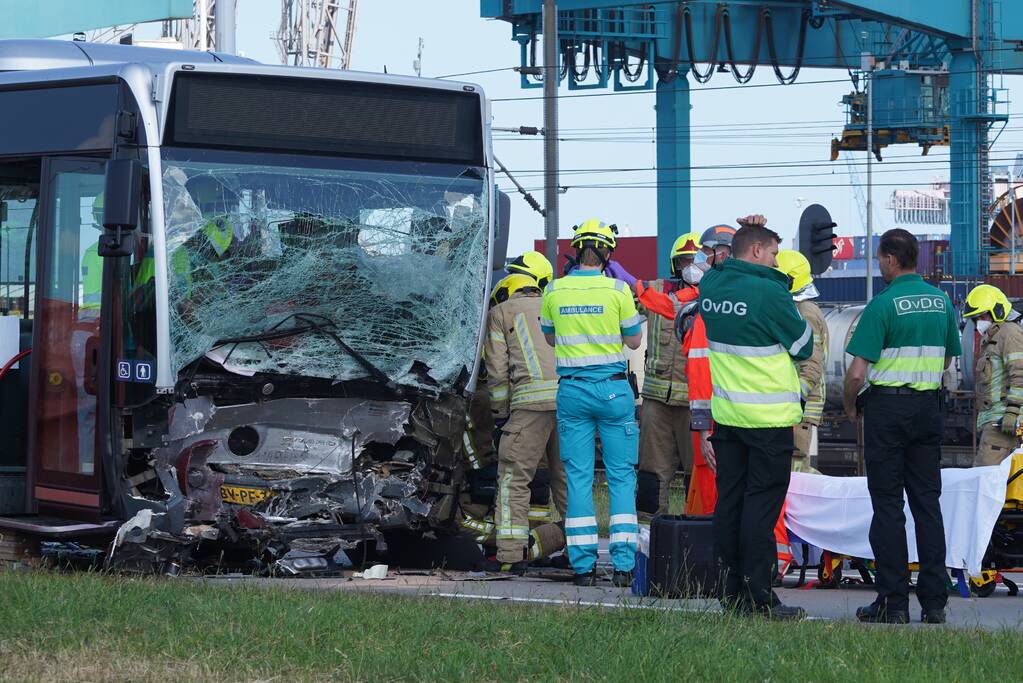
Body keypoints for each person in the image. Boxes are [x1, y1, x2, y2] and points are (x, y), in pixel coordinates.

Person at [843, 228, 960, 625]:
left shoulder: (883, 304)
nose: (879, 264)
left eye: (880, 258)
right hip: (928, 409)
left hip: (887, 412)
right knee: (928, 504)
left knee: (889, 507)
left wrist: (849, 405)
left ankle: (893, 603)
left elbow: (857, 373)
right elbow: (946, 360)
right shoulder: (942, 302)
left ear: (892, 260)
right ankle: (934, 603)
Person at [698, 216, 812, 621]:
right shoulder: (770, 293)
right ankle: (760, 597)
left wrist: (740, 228)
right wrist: (779, 286)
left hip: (728, 419)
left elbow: (717, 265)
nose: (778, 263)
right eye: (775, 254)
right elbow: (802, 345)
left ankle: (731, 594)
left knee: (729, 505)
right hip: (768, 422)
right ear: (758, 251)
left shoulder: (711, 286)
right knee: (760, 511)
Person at [540, 219, 643, 587]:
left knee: (579, 478)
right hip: (614, 393)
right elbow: (633, 342)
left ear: (576, 250)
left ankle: (583, 567)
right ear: (607, 254)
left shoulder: (554, 290)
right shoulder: (618, 290)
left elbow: (550, 339)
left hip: (573, 393)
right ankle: (624, 566)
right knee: (620, 477)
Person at [484, 263, 568, 574]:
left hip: (529, 408)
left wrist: (499, 419)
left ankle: (510, 555)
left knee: (513, 479)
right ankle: (580, 552)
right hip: (571, 403)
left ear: (504, 293)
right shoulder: (554, 304)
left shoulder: (501, 313)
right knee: (570, 481)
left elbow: (497, 374)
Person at [633, 232, 702, 522]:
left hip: (696, 404)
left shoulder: (715, 298)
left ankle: (697, 535)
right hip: (657, 402)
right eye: (685, 261)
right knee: (651, 476)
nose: (691, 267)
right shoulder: (659, 292)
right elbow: (629, 297)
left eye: (696, 261)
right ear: (675, 266)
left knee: (698, 475)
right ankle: (649, 541)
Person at [775, 250, 828, 473]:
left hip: (800, 407)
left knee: (795, 471)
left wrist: (795, 400)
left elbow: (812, 364)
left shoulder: (805, 312)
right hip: (794, 404)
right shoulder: (794, 309)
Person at [962, 284, 1023, 467]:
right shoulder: (993, 338)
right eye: (976, 318)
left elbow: (1020, 374)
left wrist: (1012, 412)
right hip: (996, 422)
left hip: (1003, 422)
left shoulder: (1009, 334)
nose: (979, 321)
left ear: (997, 311)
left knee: (983, 478)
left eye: (982, 316)